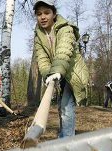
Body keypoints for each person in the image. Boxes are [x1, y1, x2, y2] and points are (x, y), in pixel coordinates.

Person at [33, 0, 89, 138]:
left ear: (54, 14)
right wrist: (48, 75)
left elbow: (64, 51)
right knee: (61, 108)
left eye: (47, 12)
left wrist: (56, 70)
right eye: (39, 14)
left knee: (66, 107)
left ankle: (67, 143)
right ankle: (64, 136)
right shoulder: (39, 35)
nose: (43, 17)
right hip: (58, 73)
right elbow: (42, 58)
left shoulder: (65, 28)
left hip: (72, 72)